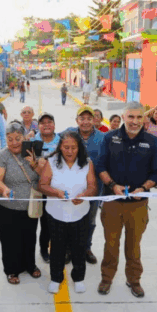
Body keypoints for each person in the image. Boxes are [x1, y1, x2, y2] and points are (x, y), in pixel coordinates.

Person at [95, 101, 157, 298]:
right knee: (111, 244)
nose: (135, 121)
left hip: (138, 205)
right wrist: (112, 185)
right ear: (123, 117)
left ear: (144, 118)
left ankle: (134, 280)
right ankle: (106, 278)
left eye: (139, 117)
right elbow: (100, 166)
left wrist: (143, 188)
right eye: (131, 117)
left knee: (134, 246)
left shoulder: (152, 142)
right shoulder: (110, 138)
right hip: (112, 203)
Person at [39, 132, 97, 294]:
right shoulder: (51, 162)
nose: (69, 151)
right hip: (56, 214)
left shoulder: (87, 163)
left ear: (79, 148)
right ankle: (56, 278)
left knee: (79, 247)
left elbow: (93, 186)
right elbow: (42, 184)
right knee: (57, 248)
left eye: (73, 148)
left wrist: (85, 195)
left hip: (80, 213)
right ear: (60, 147)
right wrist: (55, 192)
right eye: (66, 147)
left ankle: (78, 278)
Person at [0, 122, 47, 284]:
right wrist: (4, 190)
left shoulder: (34, 152)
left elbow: (44, 177)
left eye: (18, 138)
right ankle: (11, 269)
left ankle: (30, 265)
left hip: (31, 205)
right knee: (10, 239)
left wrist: (35, 164)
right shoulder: (2, 156)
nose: (14, 142)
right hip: (7, 207)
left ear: (25, 137)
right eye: (10, 139)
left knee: (29, 237)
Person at [63, 106, 105, 265]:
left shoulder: (103, 138)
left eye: (89, 118)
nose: (86, 122)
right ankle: (68, 249)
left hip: (94, 189)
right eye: (82, 118)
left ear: (95, 120)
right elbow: (51, 139)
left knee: (90, 220)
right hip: (71, 187)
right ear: (77, 120)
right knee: (70, 218)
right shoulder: (68, 134)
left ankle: (86, 248)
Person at [32, 113, 60, 263]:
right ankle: (44, 250)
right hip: (38, 189)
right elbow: (27, 163)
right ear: (38, 126)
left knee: (55, 222)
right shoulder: (32, 141)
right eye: (43, 123)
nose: (46, 125)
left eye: (50, 122)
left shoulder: (61, 140)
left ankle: (58, 249)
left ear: (54, 125)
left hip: (56, 188)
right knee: (43, 222)